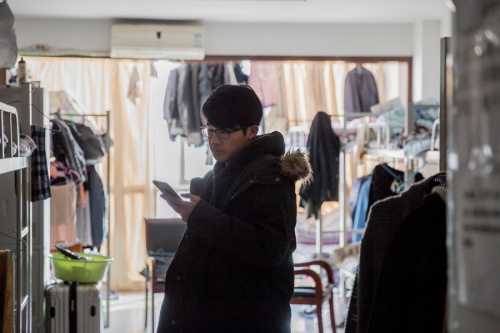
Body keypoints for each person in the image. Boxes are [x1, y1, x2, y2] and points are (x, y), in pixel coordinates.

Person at [156, 84, 311, 333]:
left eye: (225, 133)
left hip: (248, 318)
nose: (214, 141)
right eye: (210, 130)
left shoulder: (272, 178)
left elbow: (269, 248)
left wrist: (199, 215)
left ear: (252, 131)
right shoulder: (221, 172)